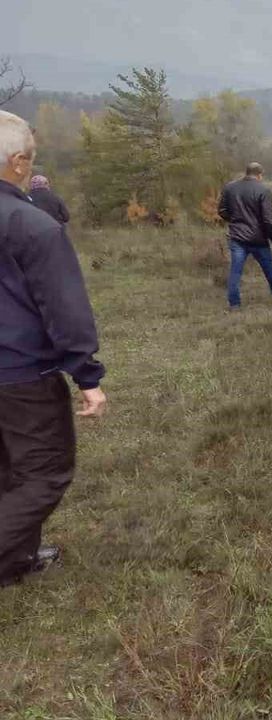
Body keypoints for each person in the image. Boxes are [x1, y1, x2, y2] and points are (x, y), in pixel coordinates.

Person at [0, 110, 107, 588]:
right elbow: (63, 307)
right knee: (44, 472)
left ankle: (15, 560)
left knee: (8, 469)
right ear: (19, 162)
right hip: (22, 376)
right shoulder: (31, 225)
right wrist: (86, 374)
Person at [219, 162, 272, 308]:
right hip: (259, 238)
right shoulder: (264, 190)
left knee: (235, 272)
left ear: (247, 172)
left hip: (237, 236)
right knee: (269, 268)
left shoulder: (230, 187)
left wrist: (234, 220)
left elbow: (222, 210)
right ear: (260, 174)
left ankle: (234, 304)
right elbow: (268, 219)